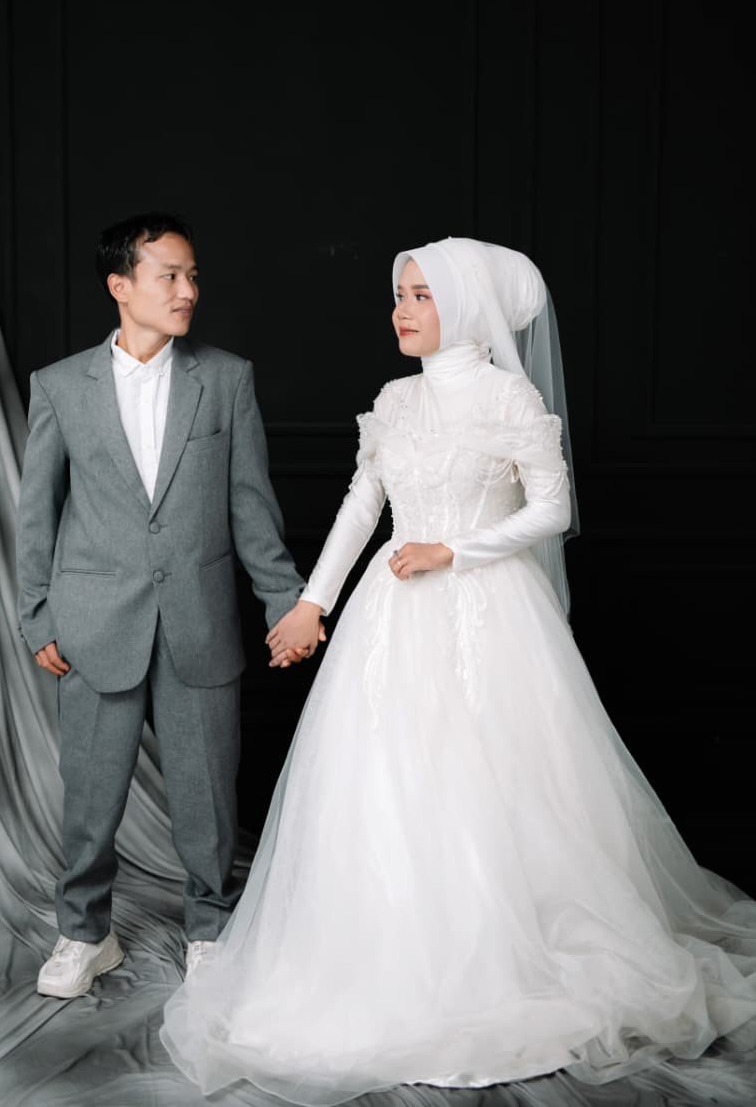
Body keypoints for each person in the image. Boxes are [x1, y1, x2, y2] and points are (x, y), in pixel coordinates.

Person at [161, 237, 756, 1103]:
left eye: (421, 296)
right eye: (399, 294)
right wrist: (312, 602)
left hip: (486, 609)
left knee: (491, 779)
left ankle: (494, 959)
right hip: (391, 613)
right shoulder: (395, 399)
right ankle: (383, 952)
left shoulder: (509, 398)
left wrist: (455, 550)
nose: (400, 310)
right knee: (382, 777)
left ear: (468, 308)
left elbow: (552, 508)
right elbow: (362, 502)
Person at [15, 213, 321, 999]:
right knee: (89, 798)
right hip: (92, 622)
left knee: (207, 797)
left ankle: (208, 929)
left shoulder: (226, 378)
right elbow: (37, 514)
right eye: (170, 276)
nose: (188, 291)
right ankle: (85, 932)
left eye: (192, 276)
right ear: (121, 286)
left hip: (199, 620)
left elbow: (251, 505)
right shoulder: (59, 386)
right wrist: (37, 615)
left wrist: (282, 601)